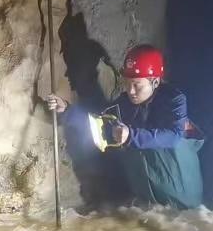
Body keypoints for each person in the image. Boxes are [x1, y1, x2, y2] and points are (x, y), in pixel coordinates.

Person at [48, 44, 204, 209]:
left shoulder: (174, 101)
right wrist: (67, 109)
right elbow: (98, 121)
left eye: (137, 85)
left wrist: (131, 135)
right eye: (127, 83)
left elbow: (173, 136)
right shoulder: (124, 104)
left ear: (155, 81)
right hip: (147, 201)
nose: (131, 91)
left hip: (183, 199)